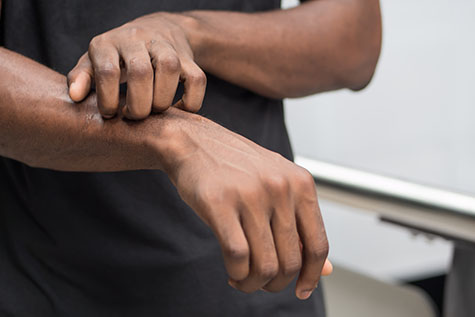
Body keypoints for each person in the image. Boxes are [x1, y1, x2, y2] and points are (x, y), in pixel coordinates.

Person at [0, 0, 381, 316]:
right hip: (55, 285)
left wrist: (187, 31)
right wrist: (176, 139)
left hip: (260, 284)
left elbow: (353, 43)